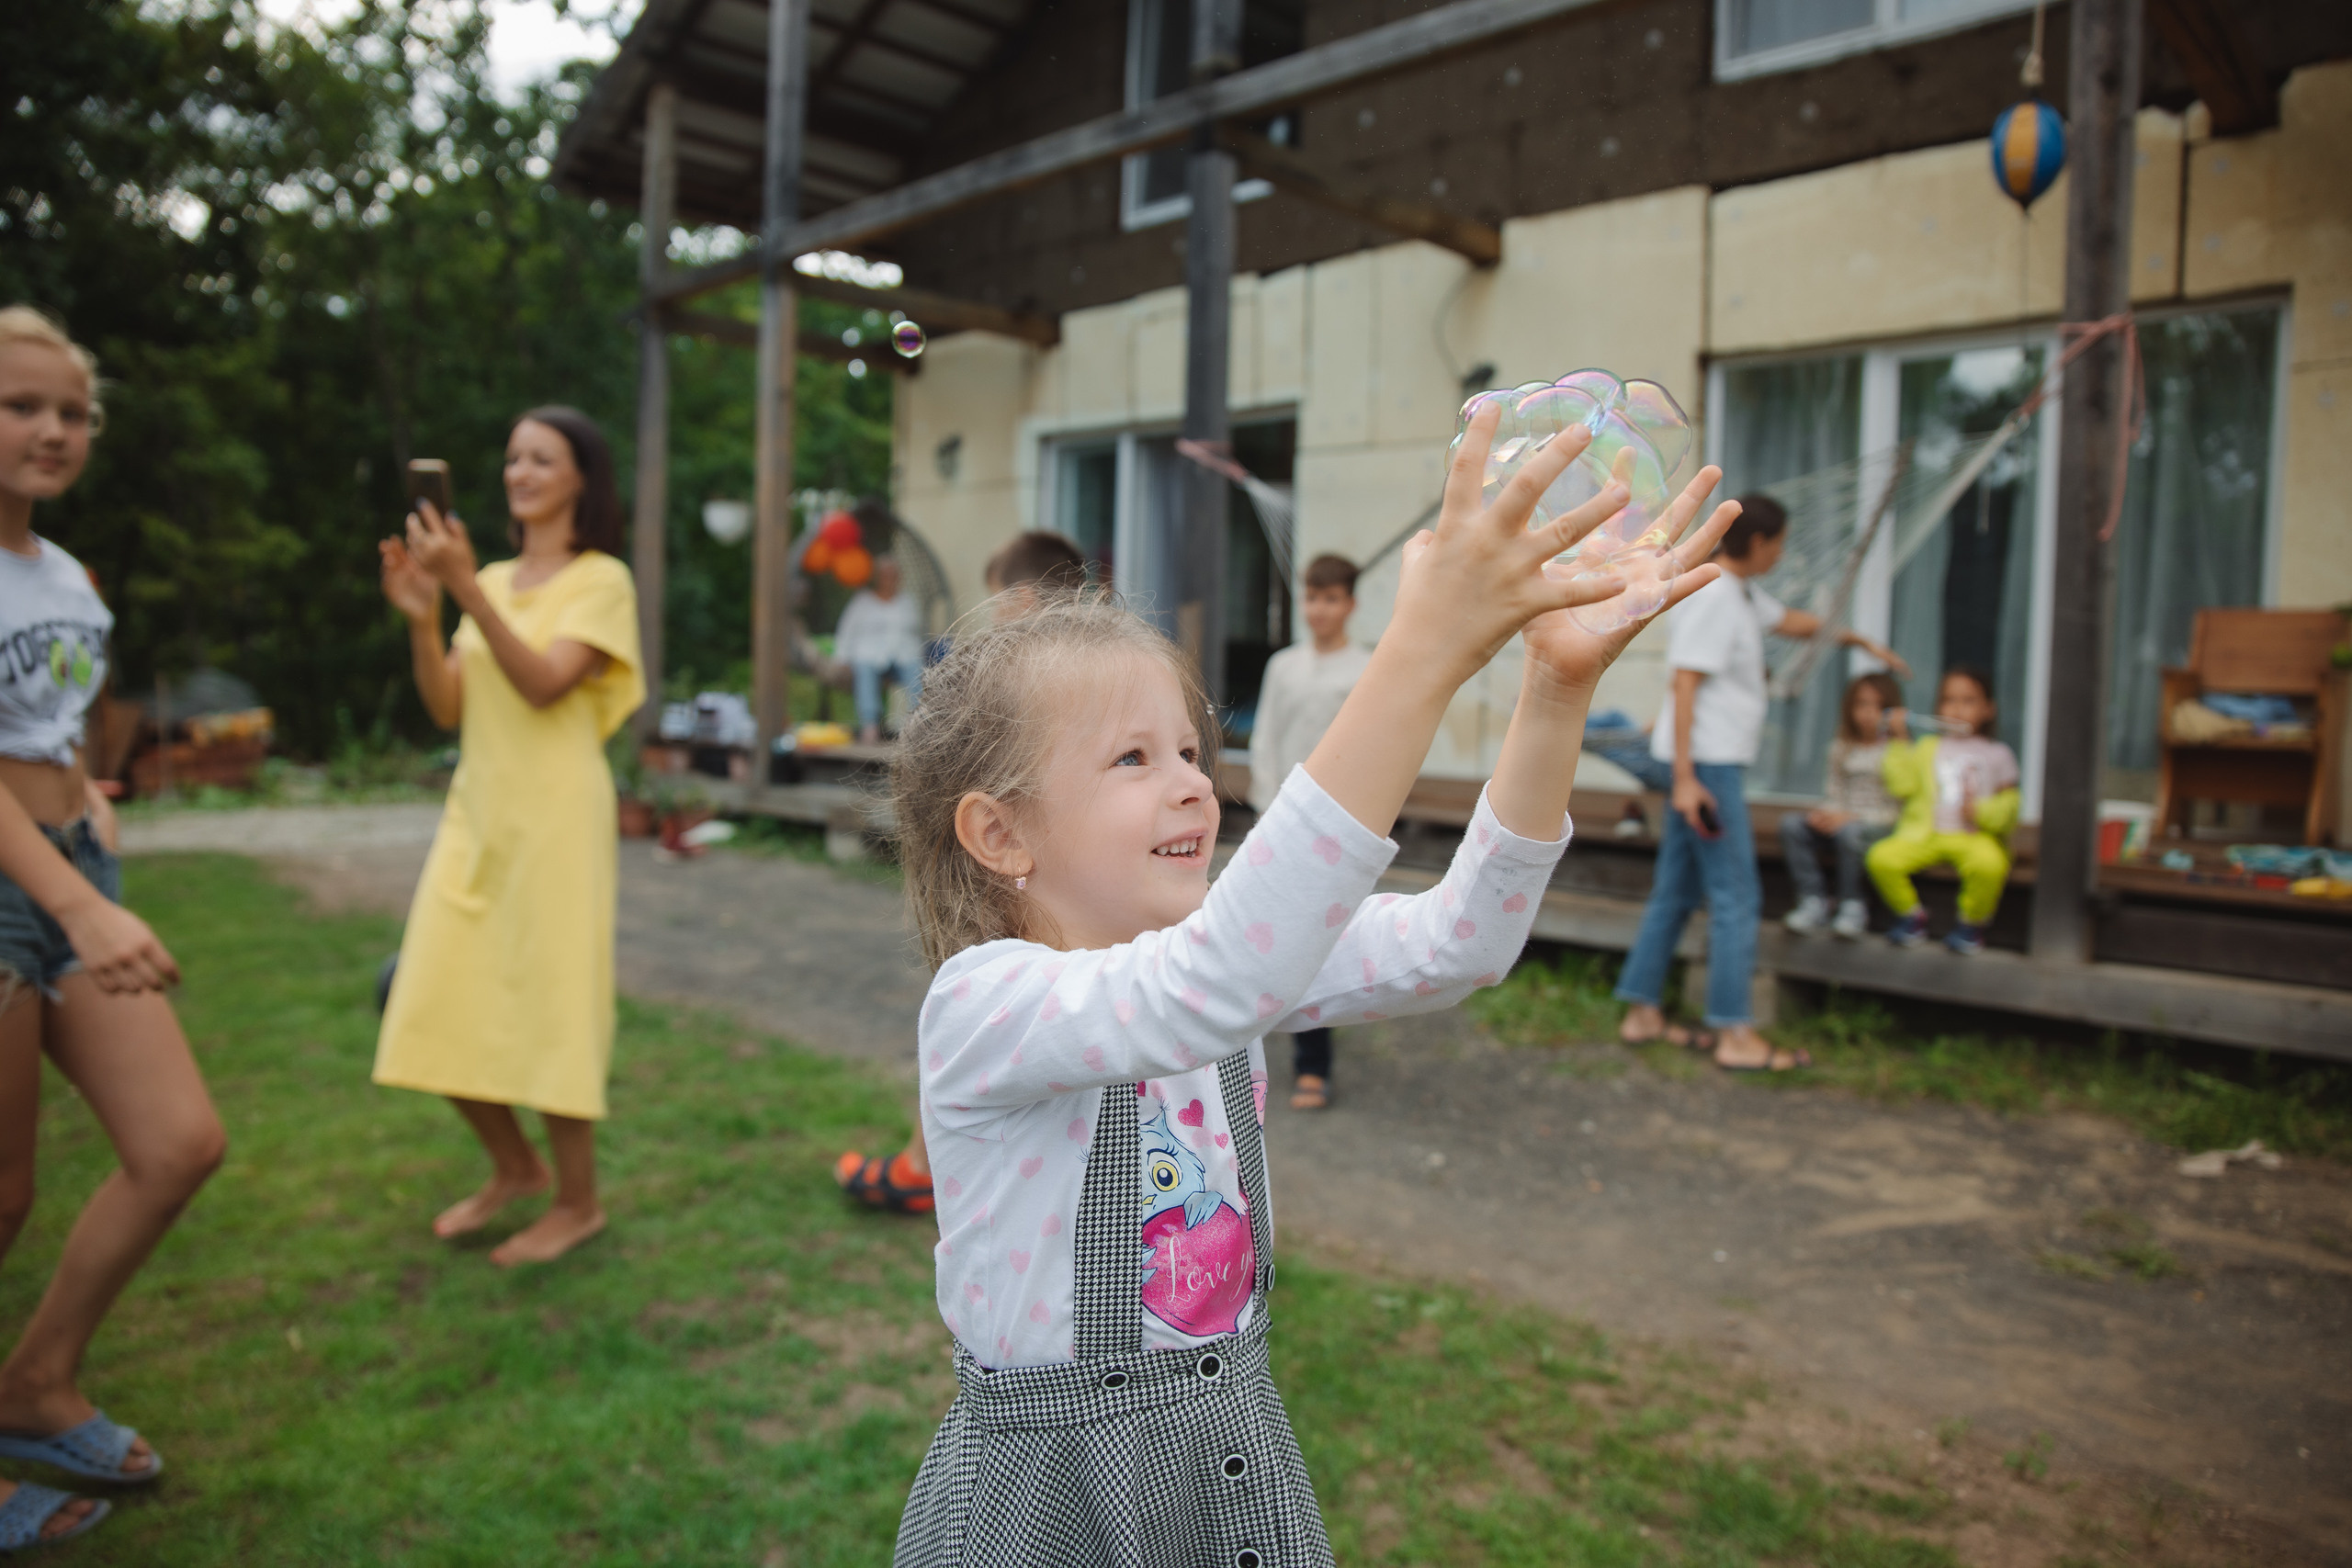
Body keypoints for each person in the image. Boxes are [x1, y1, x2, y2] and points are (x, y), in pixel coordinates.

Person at [888, 405, 1740, 1566]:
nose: (1190, 784)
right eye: (1132, 759)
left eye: (1190, 749)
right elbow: (1216, 979)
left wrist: (1550, 691)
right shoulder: (987, 1004)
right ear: (999, 833)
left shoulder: (1222, 962)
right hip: (1055, 1499)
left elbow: (1459, 943)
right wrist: (1421, 650)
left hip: (1230, 1442)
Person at [0, 307, 220, 1551]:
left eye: (71, 411)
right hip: (16, 891)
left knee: (178, 1139)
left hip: (69, 865)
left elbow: (50, 722)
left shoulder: (66, 573)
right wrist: (74, 901)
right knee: (1, 1194)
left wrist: (86, 800)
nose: (50, 429)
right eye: (19, 405)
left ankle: (33, 1379)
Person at [372, 407, 644, 1267]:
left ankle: (578, 1201)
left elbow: (541, 685)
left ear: (580, 480)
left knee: (551, 1003)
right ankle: (514, 1166)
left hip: (557, 818)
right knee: (427, 990)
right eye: (512, 458)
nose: (519, 472)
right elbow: (450, 703)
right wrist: (423, 616)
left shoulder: (601, 580)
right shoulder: (485, 574)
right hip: (477, 811)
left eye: (541, 458)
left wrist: (462, 590)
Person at [831, 529, 1086, 1216]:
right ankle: (976, 1168)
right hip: (1068, 894)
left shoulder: (1028, 682)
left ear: (1025, 597)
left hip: (1019, 887)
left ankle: (926, 1166)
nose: (992, 615)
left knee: (964, 1016)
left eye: (998, 600)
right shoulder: (1100, 677)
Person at [1614, 494, 1905, 1071]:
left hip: (1701, 768)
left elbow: (1790, 622)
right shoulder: (1717, 595)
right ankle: (1733, 1031)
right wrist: (1687, 781)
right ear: (1758, 542)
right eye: (1779, 542)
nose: (1782, 550)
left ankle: (1642, 1011)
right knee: (1736, 897)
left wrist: (1858, 641)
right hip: (1707, 771)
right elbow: (1684, 685)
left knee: (1675, 891)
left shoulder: (1740, 592)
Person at [1247, 553, 1372, 1111]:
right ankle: (1245, 1060)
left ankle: (1312, 1067)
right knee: (1272, 941)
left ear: (1350, 603)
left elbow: (1369, 749)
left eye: (1330, 598)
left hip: (1337, 828)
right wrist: (1270, 808)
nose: (1319, 609)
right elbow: (1265, 740)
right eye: (1311, 597)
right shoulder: (1284, 666)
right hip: (1279, 822)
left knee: (1315, 945)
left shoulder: (1365, 668)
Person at [1866, 666, 2019, 954]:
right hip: (1925, 833)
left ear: (1989, 709)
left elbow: (2011, 805)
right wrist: (1899, 741)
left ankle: (1971, 925)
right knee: (1880, 857)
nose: (1957, 709)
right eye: (1949, 700)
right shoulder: (1927, 747)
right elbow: (1902, 786)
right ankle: (1912, 916)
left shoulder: (1997, 753)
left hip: (1974, 835)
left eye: (1968, 700)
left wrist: (1983, 812)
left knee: (1990, 864)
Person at [1780, 671, 1905, 939]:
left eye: (1878, 706)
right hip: (1842, 819)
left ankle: (1852, 903)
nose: (1868, 713)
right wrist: (1825, 814)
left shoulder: (1898, 750)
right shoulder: (1841, 746)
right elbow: (1834, 792)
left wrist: (1849, 817)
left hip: (1876, 825)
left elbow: (1897, 805)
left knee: (1851, 834)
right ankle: (1812, 899)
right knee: (1792, 825)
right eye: (1861, 704)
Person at [835, 555, 925, 745]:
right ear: (877, 577)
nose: (890, 580)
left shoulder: (907, 602)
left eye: (893, 575)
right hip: (869, 655)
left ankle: (917, 725)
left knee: (916, 671)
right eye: (885, 575)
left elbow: (916, 632)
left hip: (902, 656)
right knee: (864, 669)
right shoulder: (862, 602)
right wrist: (843, 658)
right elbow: (846, 631)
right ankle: (870, 725)